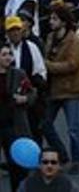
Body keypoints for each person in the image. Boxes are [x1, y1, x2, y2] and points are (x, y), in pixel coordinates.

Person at [42, 5, 79, 173]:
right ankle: (61, 153)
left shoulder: (75, 40)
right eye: (51, 18)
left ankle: (77, 160)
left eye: (54, 19)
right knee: (44, 124)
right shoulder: (51, 37)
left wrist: (48, 66)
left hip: (69, 89)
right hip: (52, 89)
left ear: (64, 22)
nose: (51, 22)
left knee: (73, 128)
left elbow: (72, 65)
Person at [0, 42, 36, 192]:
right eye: (4, 55)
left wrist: (25, 99)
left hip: (12, 124)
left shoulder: (18, 73)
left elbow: (32, 93)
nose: (8, 57)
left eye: (10, 54)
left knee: (16, 166)